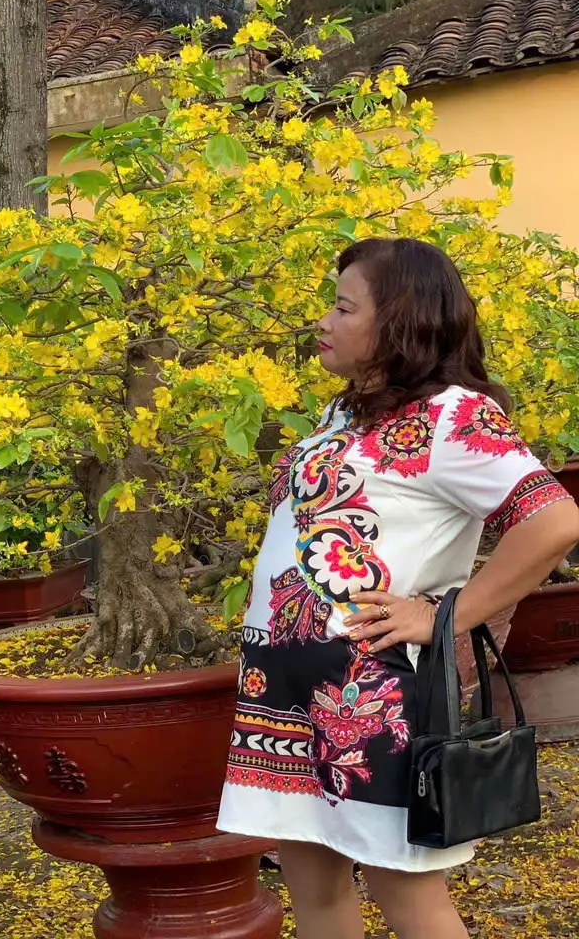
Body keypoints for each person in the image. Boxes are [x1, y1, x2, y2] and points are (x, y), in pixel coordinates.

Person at [216, 238, 579, 938]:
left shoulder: (454, 417)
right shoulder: (344, 413)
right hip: (282, 693)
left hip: (372, 697)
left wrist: (446, 615)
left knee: (405, 892)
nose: (324, 321)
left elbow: (555, 521)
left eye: (344, 308)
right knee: (313, 886)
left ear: (401, 321)